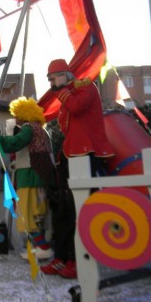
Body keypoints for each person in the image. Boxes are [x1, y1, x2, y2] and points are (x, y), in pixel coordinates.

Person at [41, 59, 114, 279]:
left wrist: (61, 90)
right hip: (70, 155)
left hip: (86, 154)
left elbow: (75, 107)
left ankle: (79, 259)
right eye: (51, 80)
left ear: (65, 75)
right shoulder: (69, 93)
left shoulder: (86, 88)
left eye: (54, 78)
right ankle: (62, 257)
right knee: (62, 208)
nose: (52, 83)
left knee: (79, 209)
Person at [0, 97, 55, 261]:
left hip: (30, 175)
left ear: (25, 115)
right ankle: (40, 246)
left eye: (17, 115)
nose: (15, 119)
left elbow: (16, 143)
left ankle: (43, 248)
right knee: (37, 212)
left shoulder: (28, 128)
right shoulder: (41, 130)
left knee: (28, 211)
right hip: (41, 174)